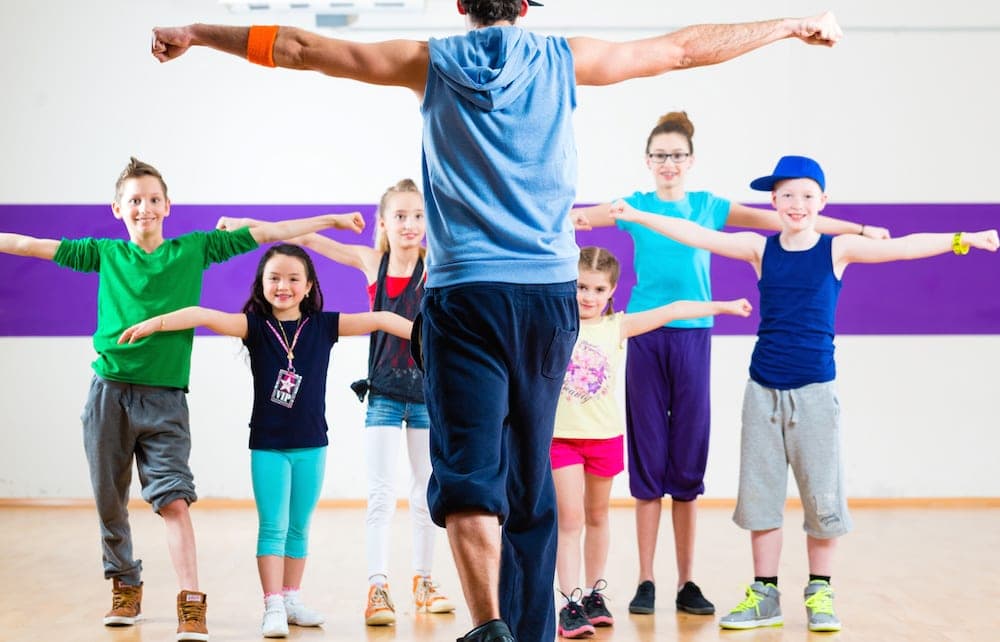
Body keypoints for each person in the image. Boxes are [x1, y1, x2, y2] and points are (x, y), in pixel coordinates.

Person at [150, 5, 846, 641]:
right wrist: (787, 25)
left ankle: (490, 628)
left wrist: (198, 34)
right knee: (529, 478)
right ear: (524, 4)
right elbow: (684, 49)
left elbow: (302, 46)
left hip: (465, 297)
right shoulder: (563, 58)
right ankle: (528, 632)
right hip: (547, 299)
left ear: (461, 4)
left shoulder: (431, 61)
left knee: (468, 476)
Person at [611, 154, 999, 632]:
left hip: (815, 392)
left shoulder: (837, 250)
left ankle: (820, 591)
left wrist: (963, 239)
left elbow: (903, 248)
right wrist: (641, 215)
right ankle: (765, 594)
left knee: (822, 497)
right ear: (773, 202)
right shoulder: (759, 249)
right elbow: (699, 235)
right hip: (763, 392)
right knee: (761, 497)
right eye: (787, 196)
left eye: (807, 196)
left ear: (823, 201)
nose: (797, 204)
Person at [0, 157, 364, 641]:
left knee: (174, 501)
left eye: (153, 199)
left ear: (168, 205)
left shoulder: (194, 249)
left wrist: (331, 220)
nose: (145, 208)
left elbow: (272, 231)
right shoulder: (103, 254)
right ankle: (125, 582)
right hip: (108, 393)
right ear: (117, 209)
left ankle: (191, 602)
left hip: (166, 399)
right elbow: (30, 245)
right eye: (134, 200)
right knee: (110, 500)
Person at [572, 111, 891, 617]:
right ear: (648, 162)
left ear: (691, 160)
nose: (669, 163)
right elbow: (579, 218)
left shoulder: (710, 206)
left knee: (687, 465)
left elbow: (788, 219)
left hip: (694, 339)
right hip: (646, 338)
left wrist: (858, 228)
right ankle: (646, 580)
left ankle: (688, 581)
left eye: (678, 155)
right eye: (660, 156)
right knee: (648, 464)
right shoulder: (632, 206)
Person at [118, 243, 414, 638]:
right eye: (274, 278)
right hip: (269, 446)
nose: (283, 286)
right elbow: (204, 315)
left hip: (313, 445)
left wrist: (428, 336)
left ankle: (291, 598)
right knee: (273, 526)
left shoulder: (325, 326)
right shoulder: (254, 327)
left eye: (294, 278)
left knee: (299, 527)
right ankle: (272, 604)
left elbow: (380, 317)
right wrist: (155, 323)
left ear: (309, 286)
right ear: (262, 283)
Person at [552, 246, 752, 639]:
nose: (587, 297)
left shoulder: (617, 327)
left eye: (597, 289)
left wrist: (725, 306)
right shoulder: (554, 324)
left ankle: (595, 594)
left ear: (612, 292)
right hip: (562, 440)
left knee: (597, 517)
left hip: (604, 439)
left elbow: (675, 309)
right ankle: (570, 602)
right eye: (580, 287)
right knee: (570, 519)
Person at [288, 179, 454, 625]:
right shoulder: (372, 263)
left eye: (418, 216)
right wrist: (252, 225)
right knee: (381, 494)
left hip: (427, 396)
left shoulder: (436, 265)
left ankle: (423, 581)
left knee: (425, 493)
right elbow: (305, 238)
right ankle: (377, 587)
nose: (410, 224)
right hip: (382, 394)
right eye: (400, 216)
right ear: (383, 222)